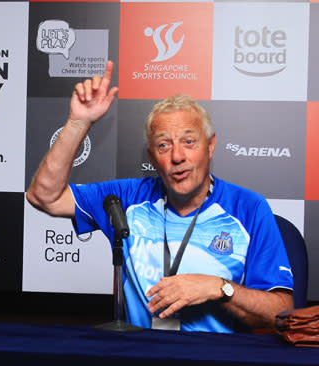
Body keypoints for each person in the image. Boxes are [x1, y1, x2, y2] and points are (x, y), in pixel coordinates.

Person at [26, 61, 294, 333]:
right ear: (152, 158)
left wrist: (218, 287)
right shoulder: (126, 198)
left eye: (189, 142)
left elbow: (280, 313)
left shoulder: (248, 208)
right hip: (139, 359)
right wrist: (78, 122)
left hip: (216, 362)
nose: (177, 157)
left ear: (210, 146)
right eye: (164, 145)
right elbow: (44, 196)